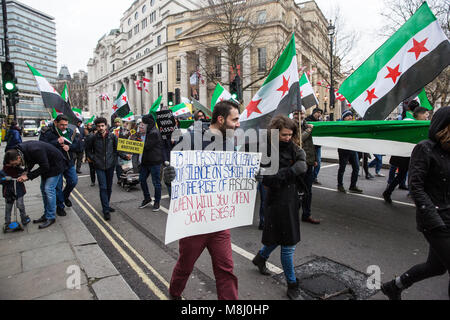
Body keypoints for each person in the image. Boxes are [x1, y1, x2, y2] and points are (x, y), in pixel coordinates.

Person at [163, 100, 241, 300]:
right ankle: (175, 292)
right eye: (235, 120)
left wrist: (250, 176)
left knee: (226, 270)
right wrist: (169, 177)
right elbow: (175, 170)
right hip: (194, 221)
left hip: (218, 219)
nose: (238, 124)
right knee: (185, 265)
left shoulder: (231, 141)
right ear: (221, 119)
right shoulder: (190, 138)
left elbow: (233, 176)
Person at [381, 106, 450, 300]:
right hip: (434, 220)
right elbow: (416, 186)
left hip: (448, 215)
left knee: (436, 267)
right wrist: (433, 218)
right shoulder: (425, 148)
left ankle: (394, 286)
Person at [252, 115, 307, 300]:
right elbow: (266, 178)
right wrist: (289, 172)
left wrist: (289, 171)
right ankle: (292, 283)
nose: (288, 138)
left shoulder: (293, 147)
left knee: (278, 236)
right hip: (276, 200)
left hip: (291, 198)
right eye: (284, 134)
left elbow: (302, 165)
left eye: (291, 134)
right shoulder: (266, 150)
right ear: (275, 133)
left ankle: (260, 258)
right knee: (288, 243)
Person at [4, 141, 68, 229]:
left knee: (48, 189)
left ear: (18, 158)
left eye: (15, 163)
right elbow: (32, 160)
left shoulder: (35, 150)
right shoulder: (22, 150)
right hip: (47, 165)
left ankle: (51, 217)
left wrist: (28, 176)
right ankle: (46, 215)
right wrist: (26, 171)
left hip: (56, 165)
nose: (15, 165)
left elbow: (45, 166)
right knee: (43, 189)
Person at [85, 117, 129, 221]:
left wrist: (125, 156)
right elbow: (88, 150)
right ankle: (105, 210)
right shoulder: (92, 138)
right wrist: (93, 158)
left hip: (110, 165)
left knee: (109, 187)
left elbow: (117, 149)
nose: (100, 128)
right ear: (96, 126)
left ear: (106, 125)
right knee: (103, 187)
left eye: (102, 126)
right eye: (99, 126)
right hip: (99, 165)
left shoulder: (112, 136)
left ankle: (106, 204)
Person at [383, 108, 429, 204]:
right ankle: (416, 197)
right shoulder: (410, 123)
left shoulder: (419, 124)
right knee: (410, 176)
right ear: (419, 114)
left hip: (409, 156)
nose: (427, 117)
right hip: (404, 156)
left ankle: (388, 192)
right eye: (425, 114)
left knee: (402, 175)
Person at [40, 115, 79, 217]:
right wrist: (56, 142)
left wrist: (69, 147)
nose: (64, 127)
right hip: (55, 164)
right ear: (55, 123)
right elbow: (41, 146)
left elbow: (77, 145)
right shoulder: (47, 132)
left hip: (68, 162)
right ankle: (60, 206)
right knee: (58, 186)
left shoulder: (70, 131)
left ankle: (65, 196)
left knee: (73, 181)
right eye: (61, 125)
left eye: (66, 125)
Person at [293, 108, 320, 225]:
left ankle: (306, 214)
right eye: (296, 113)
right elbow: (298, 140)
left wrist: (314, 159)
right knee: (296, 191)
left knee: (308, 191)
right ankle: (293, 214)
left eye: (302, 113)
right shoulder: (291, 126)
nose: (299, 116)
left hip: (308, 163)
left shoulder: (307, 125)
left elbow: (310, 144)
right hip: (297, 163)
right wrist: (308, 130)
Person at [136, 115, 164, 211]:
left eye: (143, 123)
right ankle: (147, 198)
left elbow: (146, 146)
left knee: (156, 183)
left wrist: (140, 137)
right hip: (146, 161)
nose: (141, 125)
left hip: (154, 162)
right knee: (142, 179)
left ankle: (157, 202)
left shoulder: (154, 133)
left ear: (148, 124)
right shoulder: (147, 132)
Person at [337, 110, 363, 194]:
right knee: (342, 168)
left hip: (352, 149)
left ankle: (353, 186)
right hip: (343, 150)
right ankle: (340, 185)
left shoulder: (354, 125)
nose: (350, 117)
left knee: (356, 168)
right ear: (344, 117)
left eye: (351, 116)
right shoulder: (340, 126)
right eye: (348, 116)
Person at [1, 164, 30, 233]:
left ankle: (24, 218)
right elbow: (0, 180)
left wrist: (25, 176)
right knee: (8, 207)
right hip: (8, 193)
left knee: (20, 205)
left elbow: (26, 177)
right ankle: (7, 223)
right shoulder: (3, 171)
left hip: (19, 191)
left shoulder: (19, 170)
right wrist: (4, 179)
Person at [306, 108, 323, 184]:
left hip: (317, 145)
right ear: (313, 112)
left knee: (318, 163)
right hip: (309, 145)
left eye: (320, 113)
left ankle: (314, 177)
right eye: (318, 112)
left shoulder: (320, 122)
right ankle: (308, 177)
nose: (319, 114)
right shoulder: (307, 120)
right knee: (309, 163)